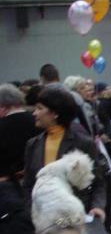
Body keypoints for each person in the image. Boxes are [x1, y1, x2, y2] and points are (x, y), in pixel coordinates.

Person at [23, 87, 106, 222]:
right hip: (43, 220)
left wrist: (98, 207)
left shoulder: (83, 143)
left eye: (39, 108)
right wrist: (31, 212)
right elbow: (28, 185)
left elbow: (98, 182)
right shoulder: (32, 145)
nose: (34, 113)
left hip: (75, 218)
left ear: (55, 113)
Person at [0, 83, 38, 179]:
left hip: (7, 181)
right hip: (36, 176)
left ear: (3, 106)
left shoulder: (2, 125)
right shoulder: (38, 121)